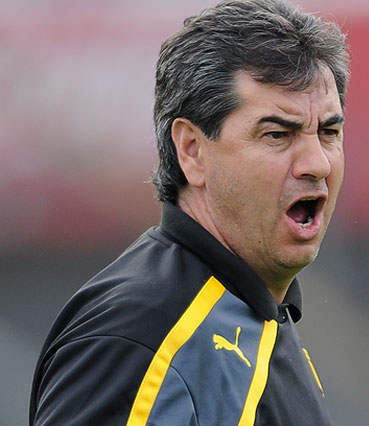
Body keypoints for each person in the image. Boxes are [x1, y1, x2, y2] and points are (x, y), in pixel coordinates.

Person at [29, 0, 349, 424]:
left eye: (328, 132)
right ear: (192, 150)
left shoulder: (262, 318)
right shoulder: (137, 335)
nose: (318, 164)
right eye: (277, 134)